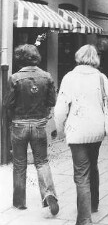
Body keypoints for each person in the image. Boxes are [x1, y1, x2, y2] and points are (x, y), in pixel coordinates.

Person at [54, 44, 108, 225]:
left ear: (78, 56)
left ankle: (84, 219)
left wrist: (60, 131)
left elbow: (60, 110)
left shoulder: (69, 77)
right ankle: (93, 203)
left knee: (81, 173)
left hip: (77, 130)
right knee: (93, 164)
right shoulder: (101, 77)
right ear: (95, 58)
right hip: (97, 130)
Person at [4, 44, 59, 215]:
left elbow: (7, 103)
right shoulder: (47, 76)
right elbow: (52, 101)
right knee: (42, 162)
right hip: (39, 124)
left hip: (19, 125)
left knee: (19, 164)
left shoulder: (14, 78)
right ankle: (49, 194)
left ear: (20, 58)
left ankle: (19, 201)